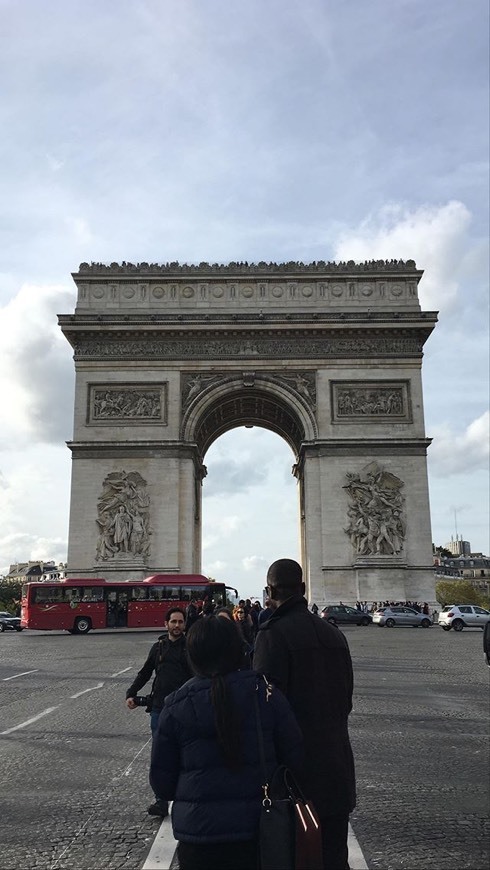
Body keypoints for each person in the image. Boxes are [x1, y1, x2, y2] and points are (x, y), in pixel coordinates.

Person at [150, 615, 303, 870]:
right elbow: (295, 759)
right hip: (259, 831)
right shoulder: (267, 695)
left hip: (198, 835)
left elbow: (162, 785)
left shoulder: (175, 706)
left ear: (193, 655)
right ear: (237, 649)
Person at [253, 558, 356, 870]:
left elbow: (264, 712)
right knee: (334, 859)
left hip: (293, 780)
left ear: (269, 591)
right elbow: (346, 701)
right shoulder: (335, 635)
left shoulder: (271, 635)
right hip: (337, 771)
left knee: (294, 858)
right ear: (303, 588)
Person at [126, 607, 192, 817]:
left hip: (182, 709)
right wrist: (131, 692)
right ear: (166, 624)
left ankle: (185, 796)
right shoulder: (158, 648)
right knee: (160, 756)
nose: (177, 626)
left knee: (184, 753)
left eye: (181, 622)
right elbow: (145, 672)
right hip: (159, 708)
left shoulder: (190, 647)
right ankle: (161, 800)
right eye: (173, 622)